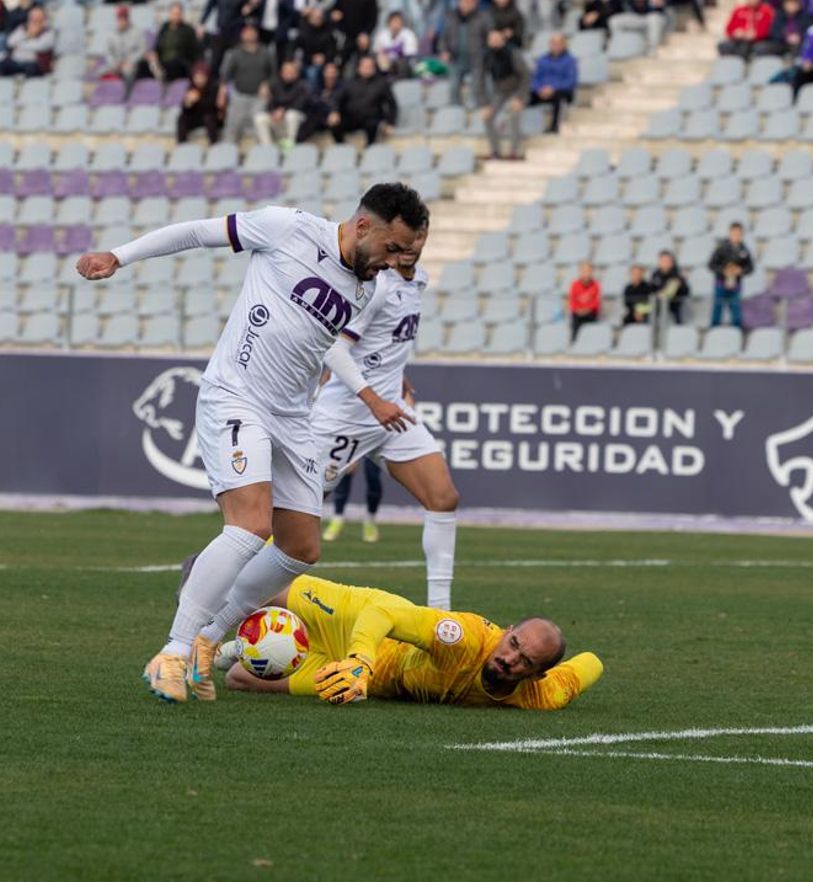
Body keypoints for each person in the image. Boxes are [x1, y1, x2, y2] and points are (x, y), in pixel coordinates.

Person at [74, 183, 429, 704]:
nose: (397, 263)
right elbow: (197, 232)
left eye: (410, 256)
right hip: (236, 396)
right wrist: (119, 256)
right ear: (362, 226)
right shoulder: (289, 228)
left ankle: (208, 640)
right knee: (249, 526)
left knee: (301, 546)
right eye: (393, 249)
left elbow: (320, 345)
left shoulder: (367, 286)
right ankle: (171, 653)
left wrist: (377, 383)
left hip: (293, 416)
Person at [311, 227, 463, 610]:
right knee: (296, 516)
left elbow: (387, 346)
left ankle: (439, 616)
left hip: (393, 415)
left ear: (426, 236)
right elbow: (335, 352)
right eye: (405, 237)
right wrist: (375, 400)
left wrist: (397, 382)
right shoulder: (377, 285)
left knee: (443, 497)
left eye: (420, 236)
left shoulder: (420, 280)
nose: (412, 245)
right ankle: (229, 591)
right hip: (345, 415)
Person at [217, 574, 604, 710]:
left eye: (525, 662)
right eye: (514, 643)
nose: (509, 659)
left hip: (368, 681)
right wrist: (360, 659)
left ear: (537, 676)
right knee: (258, 589)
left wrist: (361, 672)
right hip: (362, 623)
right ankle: (198, 618)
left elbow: (592, 663)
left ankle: (243, 647)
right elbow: (383, 616)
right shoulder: (464, 637)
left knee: (238, 679)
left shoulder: (542, 695)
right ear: (506, 631)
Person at [477, 28, 530, 161]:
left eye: (497, 39)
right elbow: (480, 80)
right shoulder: (486, 56)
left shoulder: (513, 53)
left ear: (502, 39)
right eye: (491, 39)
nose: (494, 42)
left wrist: (520, 97)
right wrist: (484, 103)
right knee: (487, 117)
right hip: (499, 91)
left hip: (516, 89)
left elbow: (526, 75)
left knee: (513, 113)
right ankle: (496, 151)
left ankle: (514, 151)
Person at [218, 24, 272, 145]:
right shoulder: (235, 54)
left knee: (260, 128)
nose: (249, 35)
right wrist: (222, 93)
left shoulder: (265, 52)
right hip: (239, 96)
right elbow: (225, 76)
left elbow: (273, 74)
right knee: (232, 129)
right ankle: (228, 153)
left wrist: (267, 84)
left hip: (259, 98)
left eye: (252, 32)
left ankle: (261, 155)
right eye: (246, 32)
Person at [329, 53, 396, 145]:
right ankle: (342, 147)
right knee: (334, 125)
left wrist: (390, 123)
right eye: (364, 66)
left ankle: (369, 149)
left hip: (371, 118)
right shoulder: (349, 83)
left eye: (370, 66)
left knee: (373, 126)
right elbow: (336, 98)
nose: (367, 69)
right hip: (351, 117)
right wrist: (334, 111)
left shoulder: (382, 84)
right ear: (358, 68)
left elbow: (392, 105)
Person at [440, 0, 490, 107]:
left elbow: (489, 39)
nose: (466, 4)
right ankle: (455, 113)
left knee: (477, 88)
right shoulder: (451, 17)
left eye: (470, 2)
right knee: (453, 87)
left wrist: (484, 54)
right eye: (464, 2)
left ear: (475, 3)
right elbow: (443, 38)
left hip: (476, 59)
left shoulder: (482, 17)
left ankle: (476, 114)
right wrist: (444, 51)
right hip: (456, 58)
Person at [322, 458, 384, 543]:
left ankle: (370, 521)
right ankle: (337, 519)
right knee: (345, 472)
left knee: (373, 477)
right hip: (353, 445)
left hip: (374, 446)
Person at [254, 57, 310, 148]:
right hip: (278, 118)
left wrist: (283, 110)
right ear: (281, 72)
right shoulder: (275, 85)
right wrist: (273, 112)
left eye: (291, 72)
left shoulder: (303, 86)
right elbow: (271, 103)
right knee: (259, 118)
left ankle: (290, 144)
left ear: (296, 73)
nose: (288, 74)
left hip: (297, 120)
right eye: (286, 71)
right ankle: (267, 148)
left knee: (291, 115)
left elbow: (300, 104)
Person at [529, 31, 576, 134]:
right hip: (542, 91)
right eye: (553, 43)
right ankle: (528, 127)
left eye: (558, 43)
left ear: (564, 44)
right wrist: (539, 89)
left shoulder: (570, 60)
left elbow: (570, 81)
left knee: (558, 97)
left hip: (561, 91)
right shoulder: (542, 59)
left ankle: (554, 127)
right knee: (526, 97)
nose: (555, 46)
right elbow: (535, 78)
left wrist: (553, 88)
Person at [0, 5, 53, 78]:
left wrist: (20, 45)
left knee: (32, 67)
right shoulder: (22, 29)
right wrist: (27, 35)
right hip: (16, 61)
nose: (34, 20)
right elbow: (10, 42)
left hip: (34, 63)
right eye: (32, 18)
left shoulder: (48, 32)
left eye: (37, 18)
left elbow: (41, 46)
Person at [147, 2, 200, 82]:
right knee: (142, 65)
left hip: (180, 63)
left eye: (178, 14)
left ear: (182, 15)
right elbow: (157, 46)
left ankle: (163, 79)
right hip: (163, 62)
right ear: (170, 14)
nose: (176, 16)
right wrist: (153, 54)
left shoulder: (188, 30)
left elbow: (194, 52)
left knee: (173, 64)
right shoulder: (164, 28)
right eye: (174, 14)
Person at [175, 60, 223, 142]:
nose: (199, 80)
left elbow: (212, 106)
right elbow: (185, 109)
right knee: (181, 118)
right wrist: (188, 103)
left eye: (201, 77)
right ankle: (181, 144)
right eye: (196, 77)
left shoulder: (213, 87)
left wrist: (198, 99)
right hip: (196, 117)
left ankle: (214, 144)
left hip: (210, 117)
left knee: (209, 118)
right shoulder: (191, 87)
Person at [103, 5, 149, 84]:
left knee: (128, 71)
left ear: (128, 18)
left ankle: (127, 94)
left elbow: (142, 49)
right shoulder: (112, 34)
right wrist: (114, 63)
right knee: (104, 73)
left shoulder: (137, 32)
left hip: (132, 65)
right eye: (119, 18)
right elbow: (108, 52)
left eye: (124, 18)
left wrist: (130, 61)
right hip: (116, 64)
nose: (122, 20)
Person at [371, 11, 419, 78]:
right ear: (389, 23)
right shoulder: (382, 35)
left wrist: (392, 62)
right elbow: (376, 51)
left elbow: (409, 55)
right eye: (394, 22)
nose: (396, 25)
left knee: (402, 63)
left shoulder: (409, 34)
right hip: (385, 63)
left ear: (402, 23)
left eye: (398, 22)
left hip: (404, 64)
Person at [649, 250, 690, 324]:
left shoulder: (677, 276)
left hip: (673, 306)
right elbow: (650, 290)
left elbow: (686, 292)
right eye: (662, 260)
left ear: (671, 262)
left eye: (667, 260)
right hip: (657, 305)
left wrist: (680, 286)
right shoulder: (655, 275)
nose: (664, 263)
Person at [566, 261, 601, 340]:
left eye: (588, 271)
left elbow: (596, 302)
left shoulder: (596, 285)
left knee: (591, 326)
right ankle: (574, 343)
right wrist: (578, 310)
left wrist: (587, 309)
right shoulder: (575, 284)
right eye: (584, 271)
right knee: (575, 323)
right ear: (580, 272)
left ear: (592, 272)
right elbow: (572, 301)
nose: (586, 273)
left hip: (590, 313)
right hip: (578, 313)